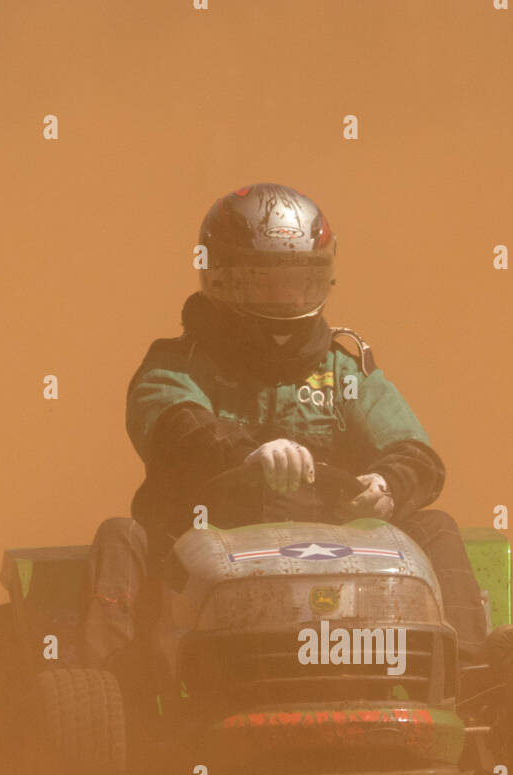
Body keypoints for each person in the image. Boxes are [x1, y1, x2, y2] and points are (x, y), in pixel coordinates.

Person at [83, 182, 489, 674]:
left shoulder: (345, 373)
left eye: (299, 282)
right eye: (263, 282)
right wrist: (249, 455)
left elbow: (416, 455)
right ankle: (119, 690)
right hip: (199, 543)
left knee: (436, 528)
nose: (284, 298)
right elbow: (173, 428)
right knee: (120, 536)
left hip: (338, 548)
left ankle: (468, 678)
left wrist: (387, 486)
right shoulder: (176, 364)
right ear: (220, 280)